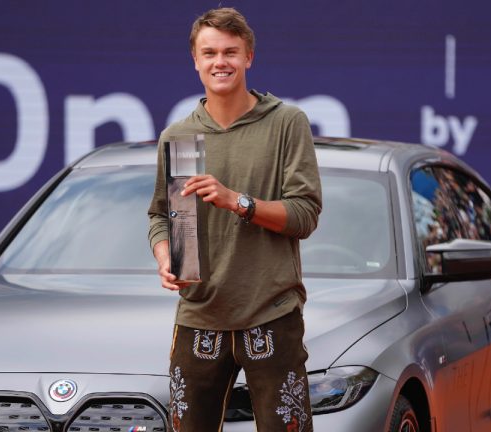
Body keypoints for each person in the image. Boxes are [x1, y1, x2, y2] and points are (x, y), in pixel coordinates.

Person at [147, 7, 322, 431]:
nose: (219, 62)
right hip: (198, 316)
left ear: (249, 57)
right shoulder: (179, 138)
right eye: (209, 53)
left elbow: (305, 213)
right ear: (195, 59)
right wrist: (165, 255)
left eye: (230, 52)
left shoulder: (285, 123)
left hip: (271, 314)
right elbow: (159, 215)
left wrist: (235, 201)